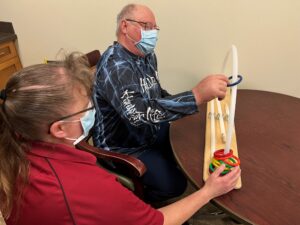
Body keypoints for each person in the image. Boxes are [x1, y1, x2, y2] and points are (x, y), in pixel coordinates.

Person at [0, 53, 240, 225]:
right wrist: (209, 192)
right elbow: (156, 221)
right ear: (59, 129)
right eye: (86, 106)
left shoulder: (14, 139)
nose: (93, 109)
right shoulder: (86, 187)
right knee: (173, 184)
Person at [93, 3, 229, 202]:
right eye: (146, 26)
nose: (152, 34)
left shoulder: (145, 56)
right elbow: (138, 115)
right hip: (123, 147)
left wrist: (191, 102)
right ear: (124, 26)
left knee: (192, 142)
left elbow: (156, 93)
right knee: (175, 185)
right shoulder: (115, 66)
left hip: (149, 131)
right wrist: (196, 96)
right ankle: (140, 205)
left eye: (154, 28)